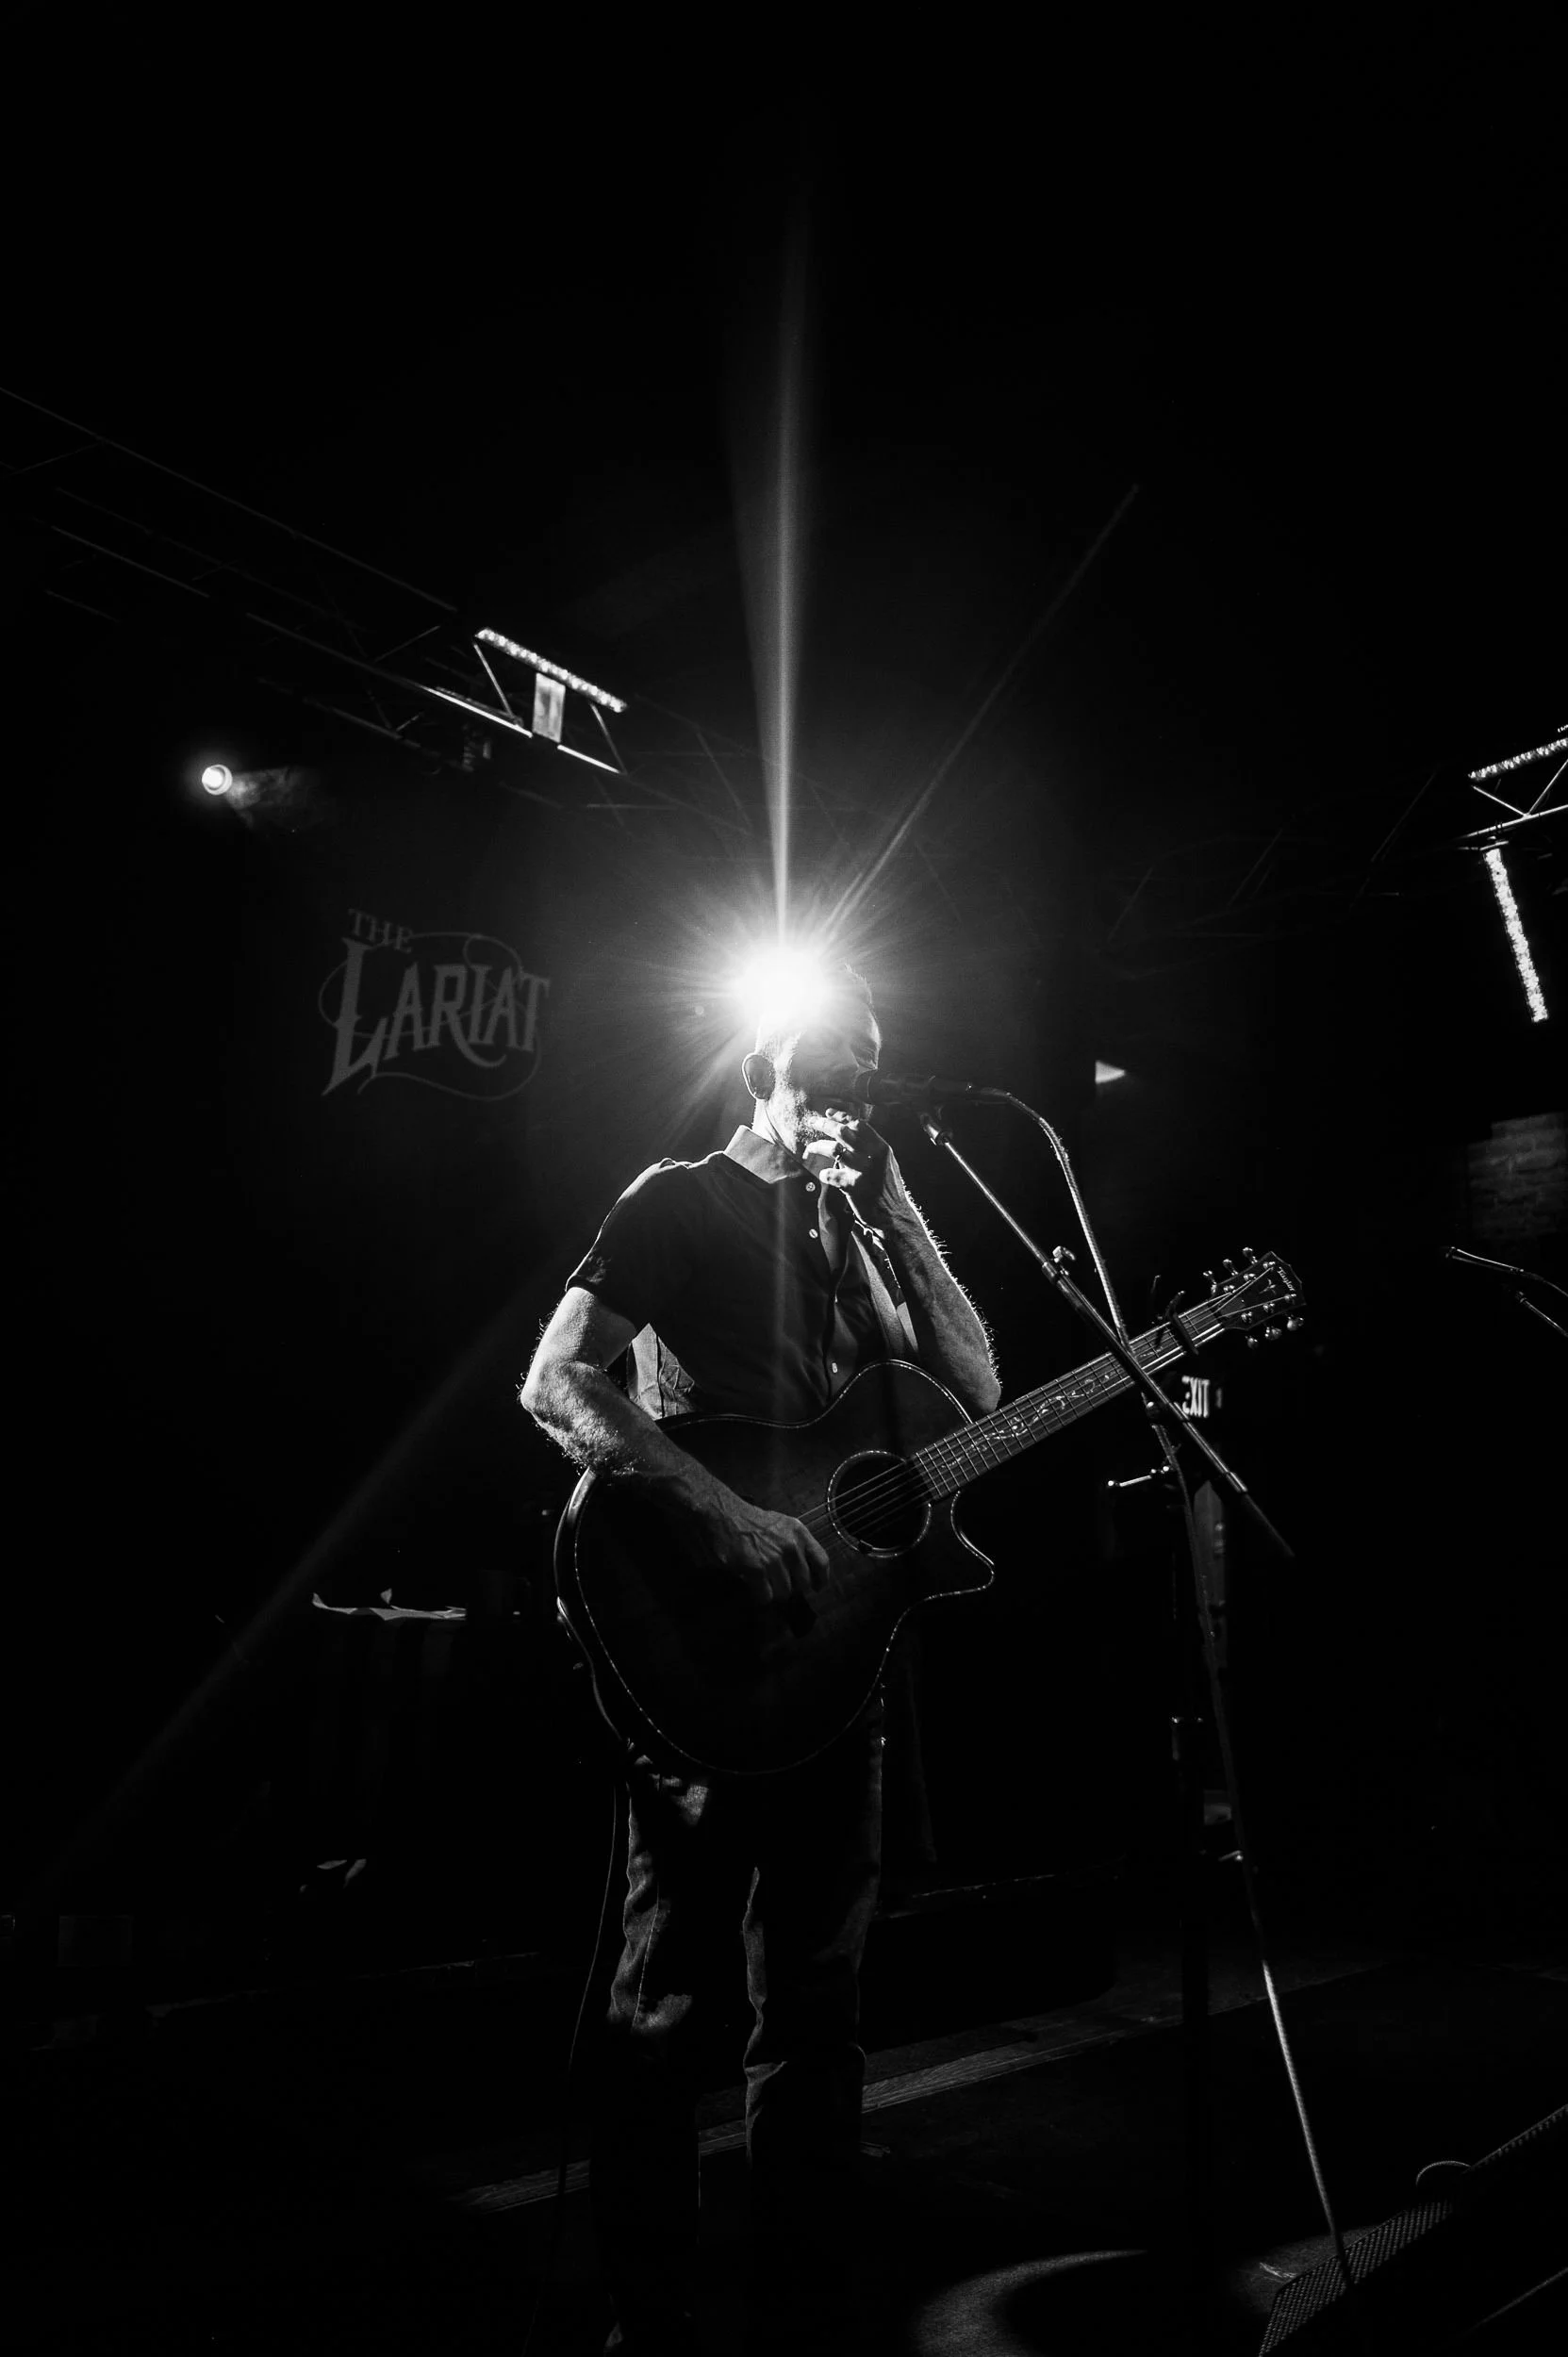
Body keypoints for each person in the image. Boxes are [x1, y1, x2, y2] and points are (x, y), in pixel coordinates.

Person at [520, 963, 999, 2356]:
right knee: (663, 2007)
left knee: (818, 2010)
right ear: (762, 1072)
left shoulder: (860, 1231)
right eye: (830, 1067)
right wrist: (724, 1514)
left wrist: (892, 1201)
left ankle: (800, 2301)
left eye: (869, 1064)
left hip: (837, 1668)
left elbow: (971, 1393)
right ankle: (647, 2313)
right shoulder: (679, 1198)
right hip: (702, 1650)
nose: (855, 1087)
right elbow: (557, 1380)